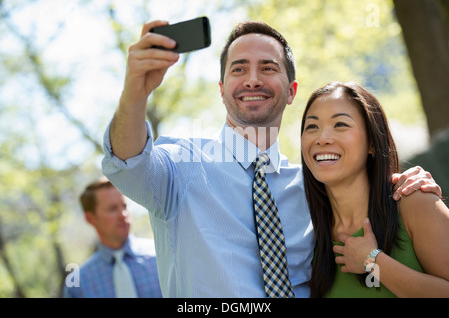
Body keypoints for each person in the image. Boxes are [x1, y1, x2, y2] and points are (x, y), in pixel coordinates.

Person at [101, 20, 441, 298]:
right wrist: (136, 90)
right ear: (221, 89)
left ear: (291, 90)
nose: (252, 79)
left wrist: (404, 183)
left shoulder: (314, 188)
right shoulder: (181, 166)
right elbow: (128, 161)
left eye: (267, 67)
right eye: (239, 69)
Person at [301, 81, 449, 297]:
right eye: (312, 126)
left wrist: (373, 260)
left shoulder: (414, 201)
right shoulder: (306, 235)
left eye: (340, 124)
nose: (322, 138)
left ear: (372, 141)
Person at [63, 177, 163, 298]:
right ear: (90, 218)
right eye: (112, 209)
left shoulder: (161, 257)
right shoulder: (79, 283)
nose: (123, 215)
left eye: (124, 206)